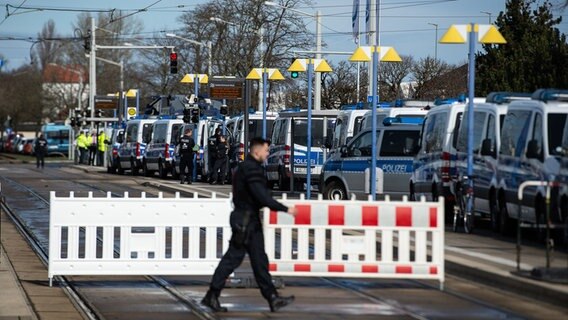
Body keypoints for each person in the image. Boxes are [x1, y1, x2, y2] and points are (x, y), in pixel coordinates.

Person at [202, 137, 297, 313]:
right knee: (233, 260)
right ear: (256, 150)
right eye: (266, 150)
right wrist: (285, 209)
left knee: (258, 260)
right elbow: (261, 196)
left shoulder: (246, 168)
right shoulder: (251, 169)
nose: (268, 154)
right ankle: (211, 295)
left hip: (247, 220)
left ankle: (272, 298)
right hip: (246, 222)